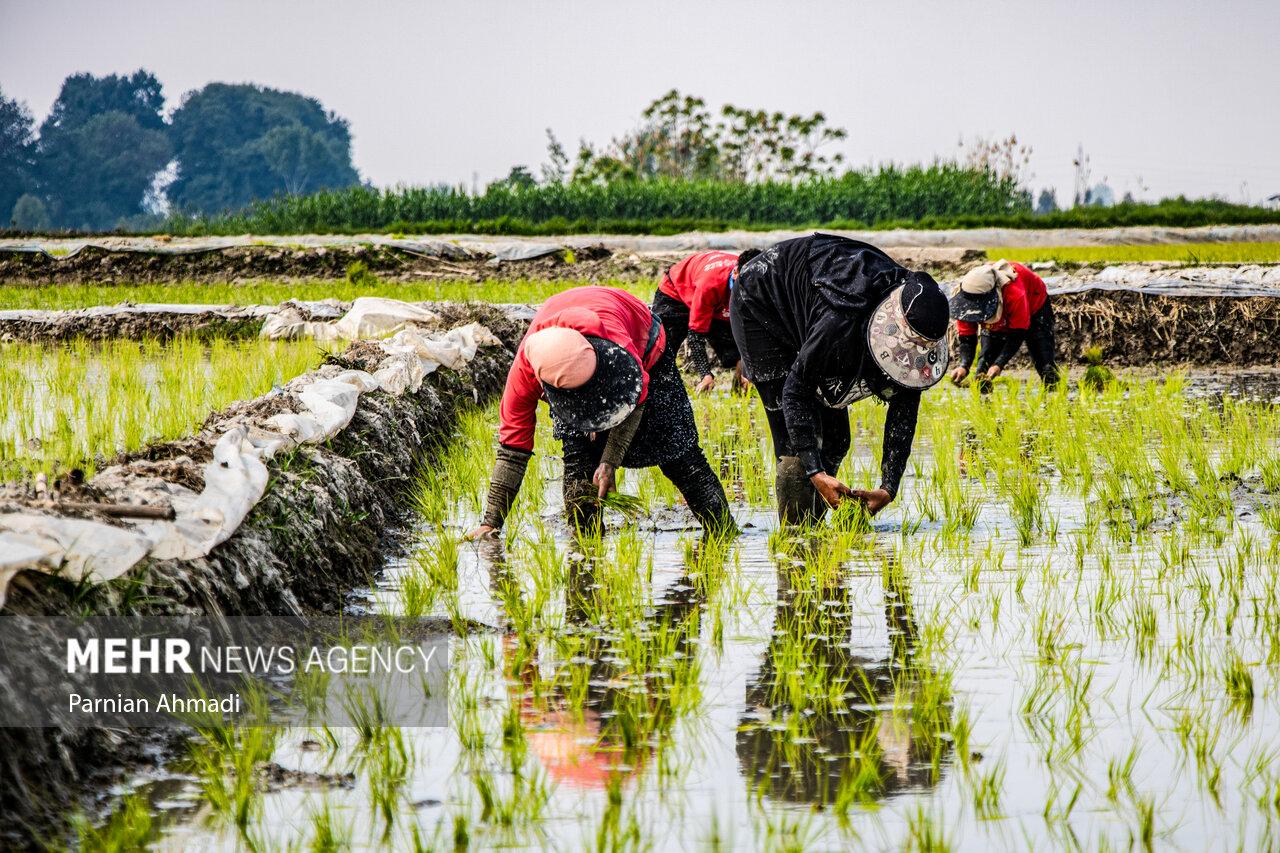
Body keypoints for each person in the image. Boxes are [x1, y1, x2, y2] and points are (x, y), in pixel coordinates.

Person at [467, 285, 734, 539]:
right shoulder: (523, 377)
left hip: (645, 348)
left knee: (679, 453)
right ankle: (586, 550)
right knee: (579, 463)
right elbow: (513, 449)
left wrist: (609, 463)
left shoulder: (618, 348)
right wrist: (490, 522)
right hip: (573, 364)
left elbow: (636, 399)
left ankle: (724, 532)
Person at [729, 233, 950, 524]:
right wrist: (815, 472)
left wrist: (888, 488)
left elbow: (905, 409)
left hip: (814, 309)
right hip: (760, 300)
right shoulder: (841, 318)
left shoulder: (919, 315)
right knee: (794, 447)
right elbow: (795, 391)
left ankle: (819, 520)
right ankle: (796, 535)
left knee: (837, 438)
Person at [652, 249, 760, 393]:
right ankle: (661, 390)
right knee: (665, 349)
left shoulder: (760, 284)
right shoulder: (710, 286)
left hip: (718, 298)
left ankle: (740, 387)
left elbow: (750, 330)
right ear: (735, 273)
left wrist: (749, 369)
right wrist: (706, 375)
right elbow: (696, 335)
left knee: (733, 344)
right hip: (676, 293)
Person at [947, 258, 1060, 388]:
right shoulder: (964, 302)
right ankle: (985, 404)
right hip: (997, 319)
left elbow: (1018, 334)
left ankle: (1053, 393)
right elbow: (967, 338)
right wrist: (964, 366)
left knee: (1046, 367)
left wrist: (999, 364)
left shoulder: (1015, 294)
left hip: (1035, 306)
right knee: (981, 375)